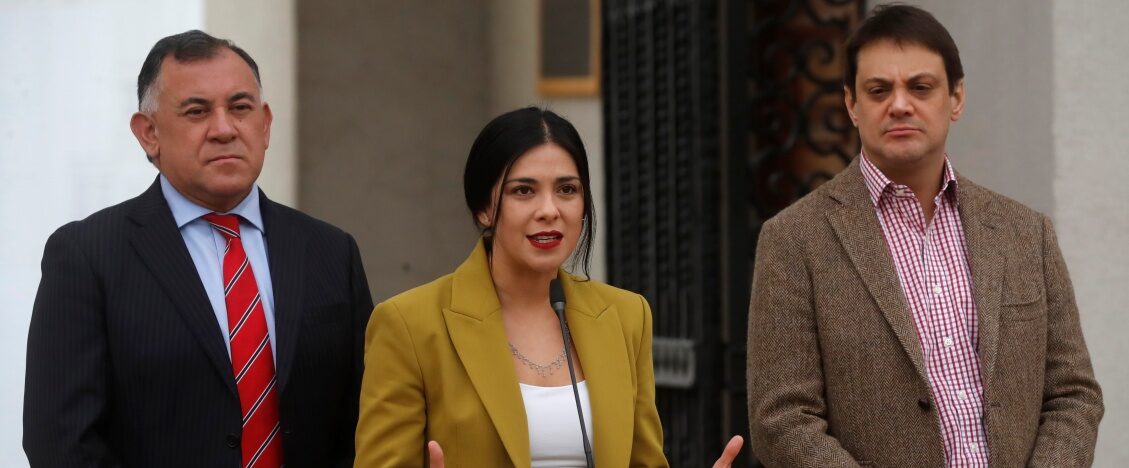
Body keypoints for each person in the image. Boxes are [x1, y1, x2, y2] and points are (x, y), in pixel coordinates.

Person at [746, 5, 1103, 467]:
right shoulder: (793, 241)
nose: (899, 105)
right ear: (851, 105)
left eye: (920, 87)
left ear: (956, 98)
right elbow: (782, 420)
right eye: (878, 90)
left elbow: (1073, 394)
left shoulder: (1026, 233)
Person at [24, 30, 373, 468]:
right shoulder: (87, 256)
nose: (224, 129)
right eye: (197, 111)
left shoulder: (331, 252)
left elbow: (366, 420)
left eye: (240, 108)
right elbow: (61, 444)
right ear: (148, 133)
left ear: (265, 124)